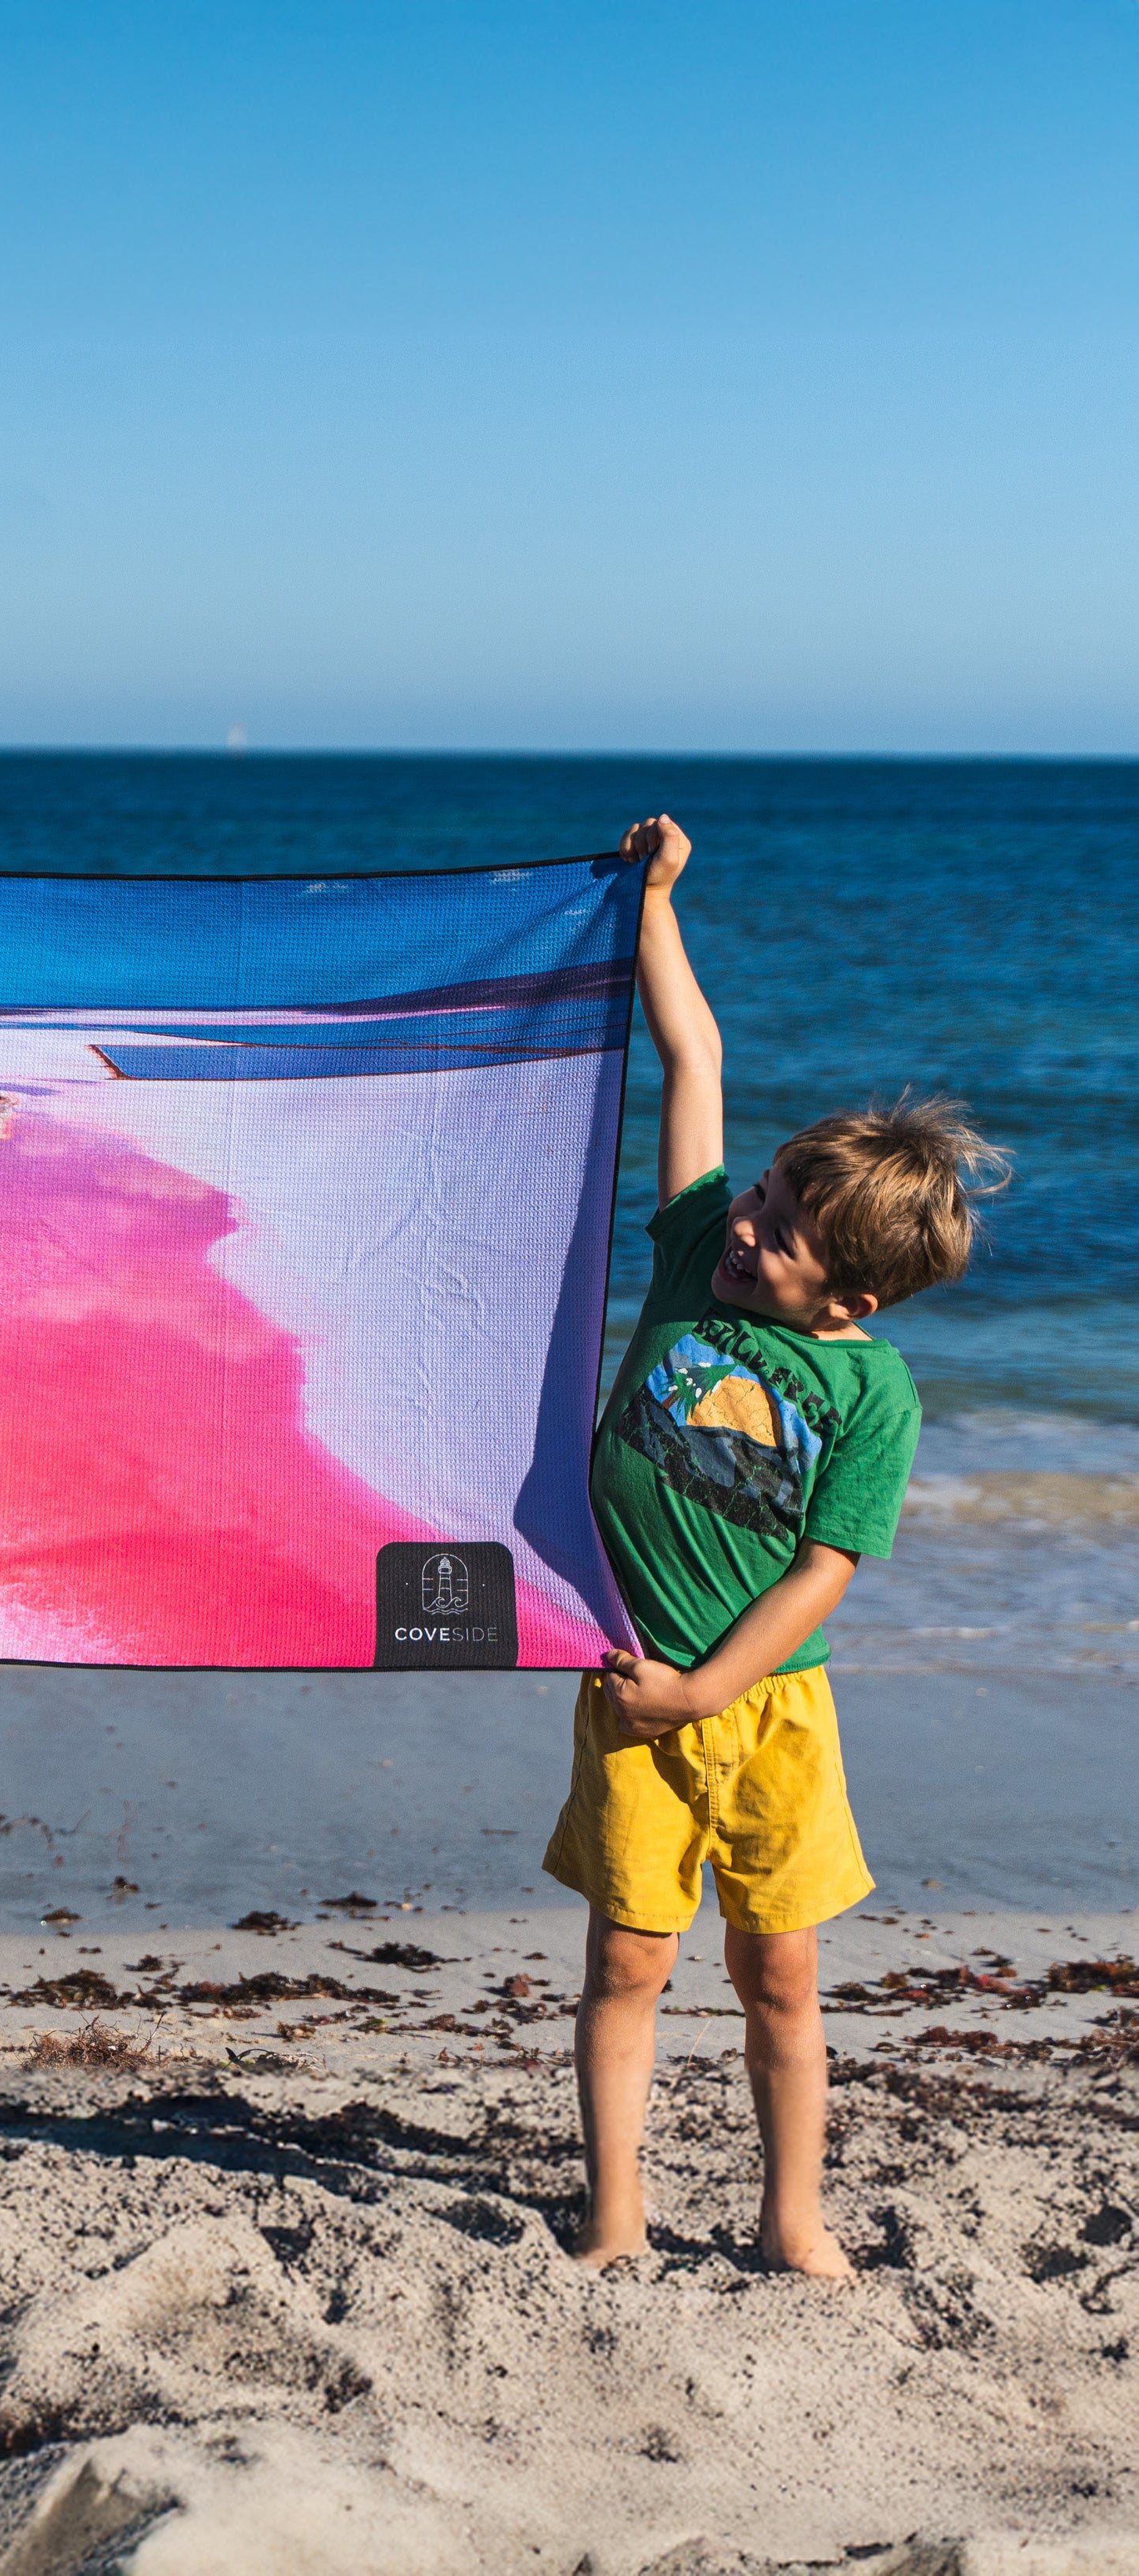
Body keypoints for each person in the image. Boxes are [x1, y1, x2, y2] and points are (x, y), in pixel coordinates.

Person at [544, 814, 1004, 2278]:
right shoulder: (692, 1254)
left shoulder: (874, 1395)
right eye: (762, 1199)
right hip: (631, 1683)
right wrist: (658, 910)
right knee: (626, 1961)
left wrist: (707, 1690)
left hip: (772, 1710)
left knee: (781, 1974)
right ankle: (616, 2218)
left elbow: (823, 1575)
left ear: (849, 1296)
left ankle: (788, 2215)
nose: (748, 1229)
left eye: (783, 1233)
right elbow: (697, 1063)